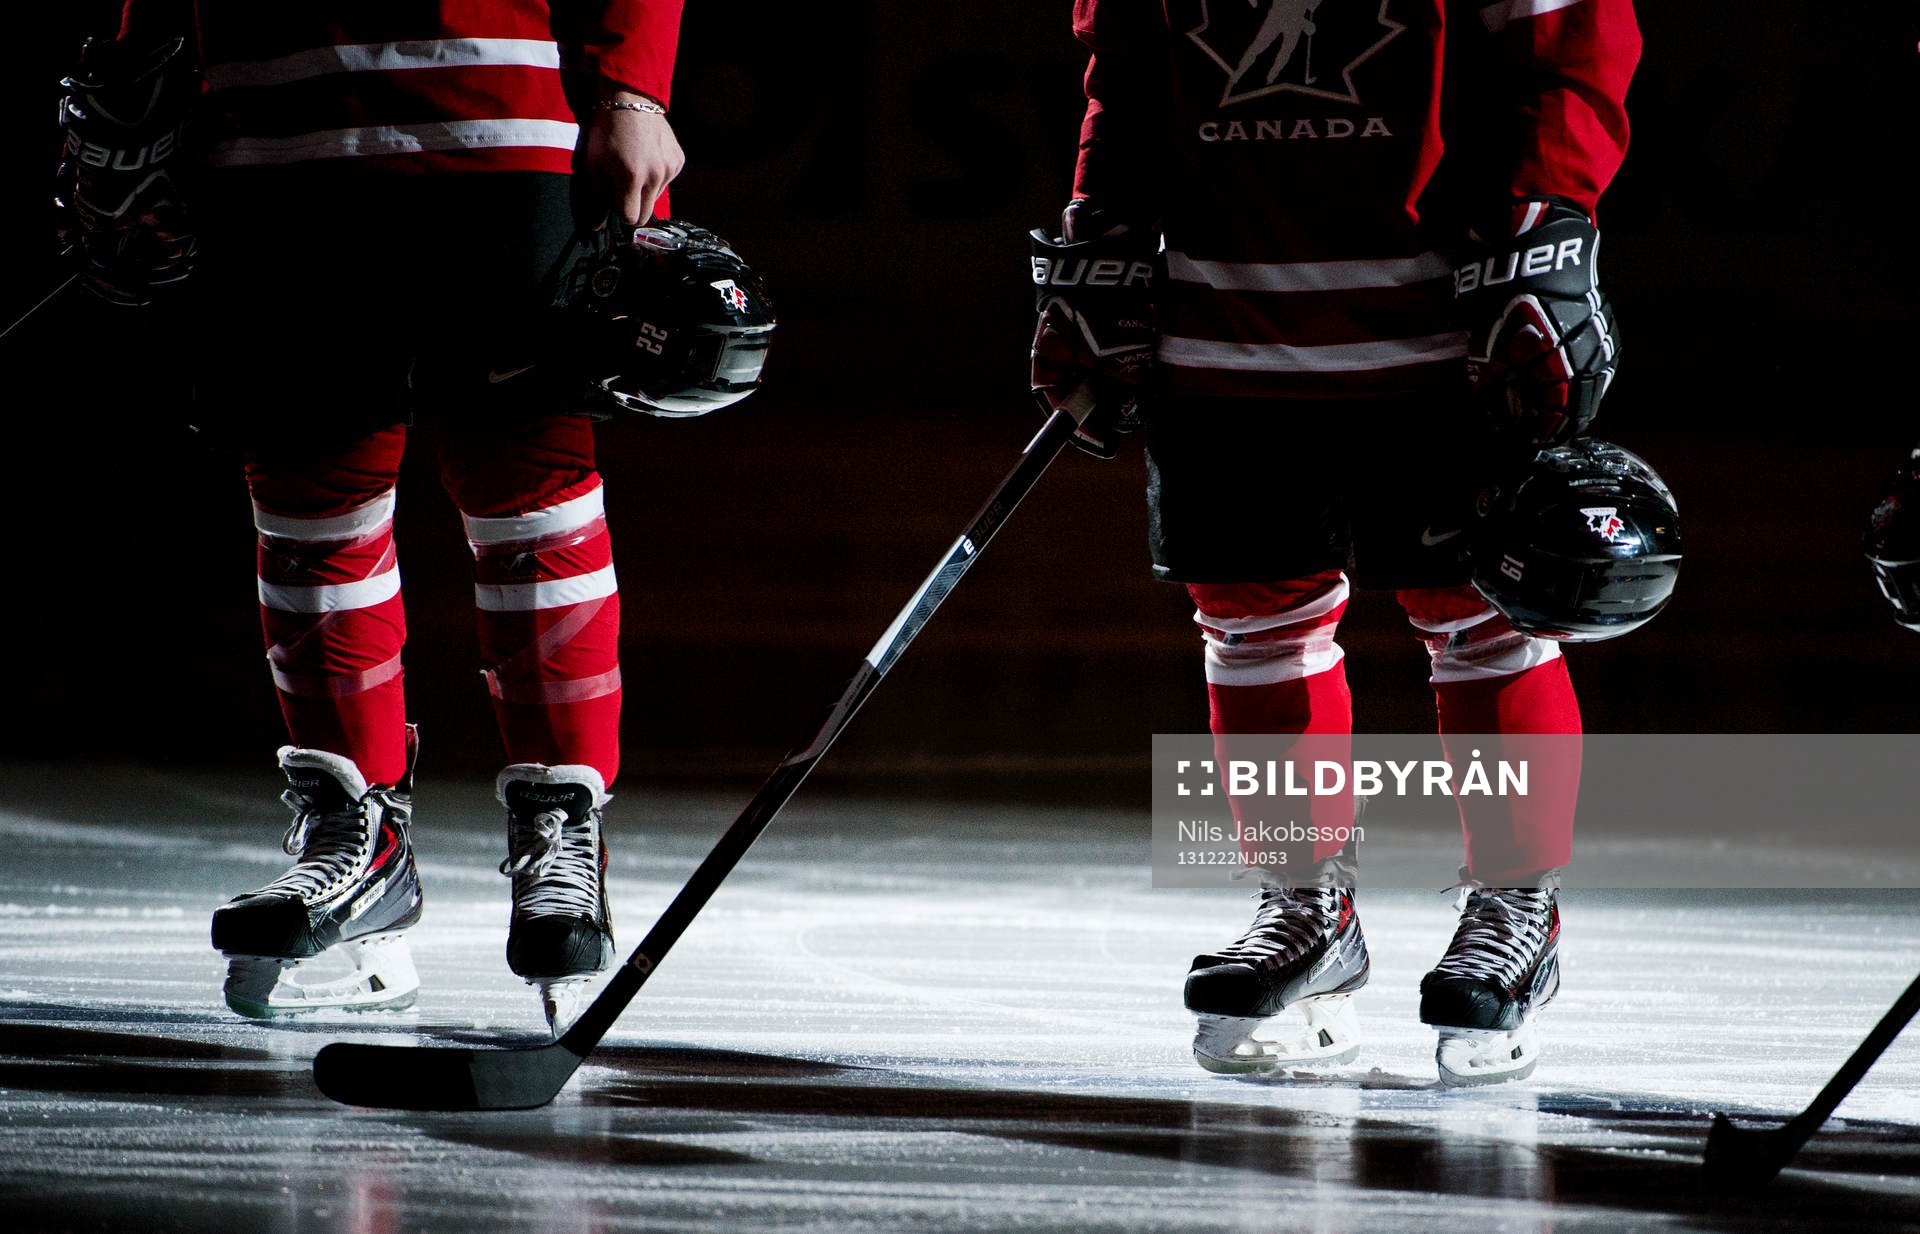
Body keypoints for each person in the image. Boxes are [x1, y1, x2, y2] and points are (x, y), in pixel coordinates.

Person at [1031, 0, 1640, 1084]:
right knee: (1251, 611)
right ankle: (1305, 906)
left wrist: (1549, 214)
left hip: (1440, 303)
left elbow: (1569, 34)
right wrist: (1103, 228)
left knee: (1479, 609)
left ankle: (1517, 907)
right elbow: (1128, 50)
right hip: (1225, 305)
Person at [57, 0, 688, 1033]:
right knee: (310, 495)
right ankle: (359, 850)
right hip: (271, 126)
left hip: (497, 108)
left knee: (529, 484)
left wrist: (631, 83)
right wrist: (136, 68)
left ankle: (562, 827)